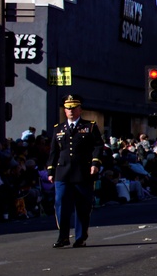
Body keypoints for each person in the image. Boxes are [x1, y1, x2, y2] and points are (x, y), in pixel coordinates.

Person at [47, 95, 104, 248]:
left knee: (82, 207)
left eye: (73, 108)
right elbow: (54, 151)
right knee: (61, 204)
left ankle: (80, 237)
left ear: (80, 109)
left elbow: (98, 146)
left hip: (83, 172)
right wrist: (51, 170)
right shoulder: (58, 129)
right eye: (68, 108)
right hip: (63, 172)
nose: (71, 111)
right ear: (64, 111)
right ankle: (63, 236)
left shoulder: (90, 126)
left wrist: (95, 163)